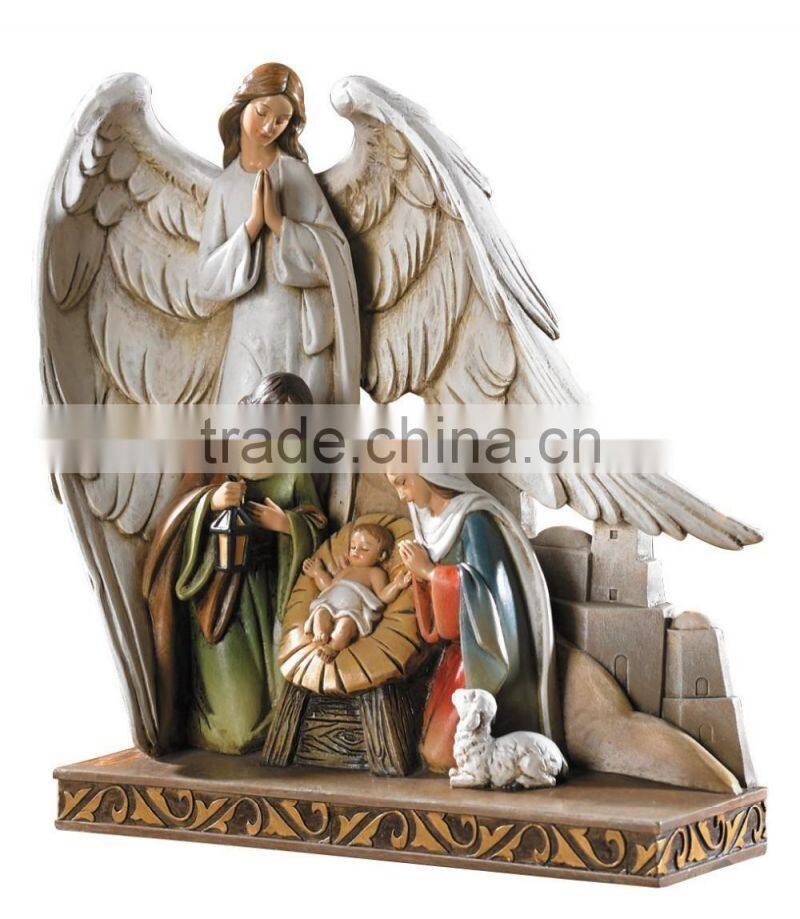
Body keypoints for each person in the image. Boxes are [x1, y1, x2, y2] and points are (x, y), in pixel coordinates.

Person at [142, 373, 326, 755]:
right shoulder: (216, 450)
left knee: (277, 702)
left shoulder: (294, 462)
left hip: (273, 594)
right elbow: (171, 522)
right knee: (237, 726)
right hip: (219, 595)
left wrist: (287, 524)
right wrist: (209, 501)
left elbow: (318, 522)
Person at [387, 471, 561, 773]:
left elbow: (487, 591)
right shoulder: (429, 526)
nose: (402, 496)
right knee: (434, 751)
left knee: (445, 754)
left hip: (486, 650)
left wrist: (430, 572)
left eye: (403, 482)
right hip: (456, 650)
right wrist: (419, 576)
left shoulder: (475, 520)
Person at [302, 523, 411, 661]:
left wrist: (396, 585)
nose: (356, 551)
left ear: (381, 556)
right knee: (320, 613)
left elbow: (382, 596)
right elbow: (329, 585)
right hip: (330, 604)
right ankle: (321, 634)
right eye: (353, 547)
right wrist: (318, 573)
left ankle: (332, 647)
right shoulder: (346, 570)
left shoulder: (375, 573)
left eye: (364, 549)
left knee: (345, 626)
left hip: (352, 612)